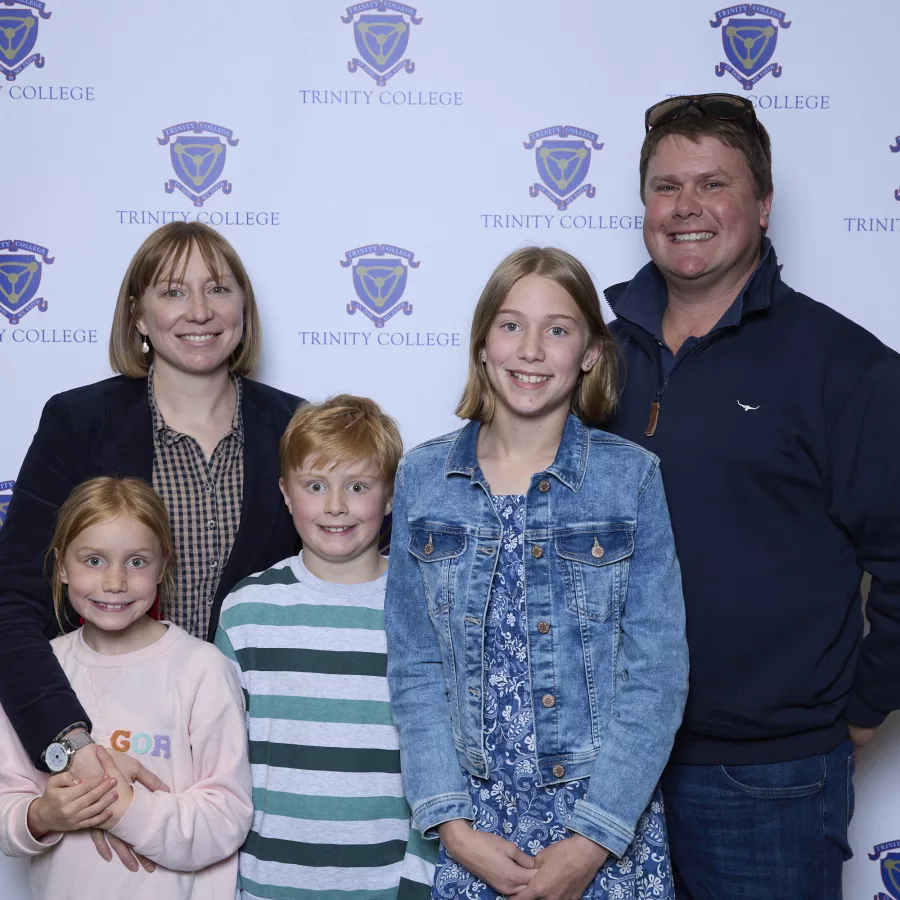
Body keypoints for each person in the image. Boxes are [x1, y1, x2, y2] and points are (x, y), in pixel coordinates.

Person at [603, 92, 900, 899]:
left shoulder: (845, 367)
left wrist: (861, 707)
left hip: (767, 781)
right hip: (602, 771)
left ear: (763, 206)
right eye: (666, 187)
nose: (686, 208)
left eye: (713, 184)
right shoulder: (591, 354)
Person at [384, 247, 688, 900]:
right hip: (475, 823)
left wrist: (592, 841)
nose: (530, 350)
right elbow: (416, 666)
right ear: (483, 345)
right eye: (511, 325)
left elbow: (656, 672)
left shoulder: (630, 478)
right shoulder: (423, 479)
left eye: (557, 329)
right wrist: (454, 827)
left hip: (602, 822)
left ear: (589, 353)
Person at [0, 222, 301, 870]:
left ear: (243, 310)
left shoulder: (299, 431)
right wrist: (79, 758)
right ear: (137, 312)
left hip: (261, 773)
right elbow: (11, 604)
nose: (198, 311)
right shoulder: (78, 423)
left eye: (217, 289)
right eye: (172, 291)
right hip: (104, 749)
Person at [215, 394, 437, 900]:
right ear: (286, 494)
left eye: (357, 486)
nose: (336, 505)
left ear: (389, 498)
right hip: (268, 883)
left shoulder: (421, 604)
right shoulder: (246, 610)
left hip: (387, 885)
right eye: (315, 486)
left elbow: (440, 759)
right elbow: (218, 760)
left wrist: (417, 881)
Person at [0, 476, 253, 899]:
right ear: (61, 565)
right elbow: (8, 803)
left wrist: (127, 811)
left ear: (163, 566)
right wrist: (42, 815)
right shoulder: (37, 672)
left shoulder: (202, 669)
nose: (114, 582)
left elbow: (227, 816)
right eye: (93, 560)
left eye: (136, 562)